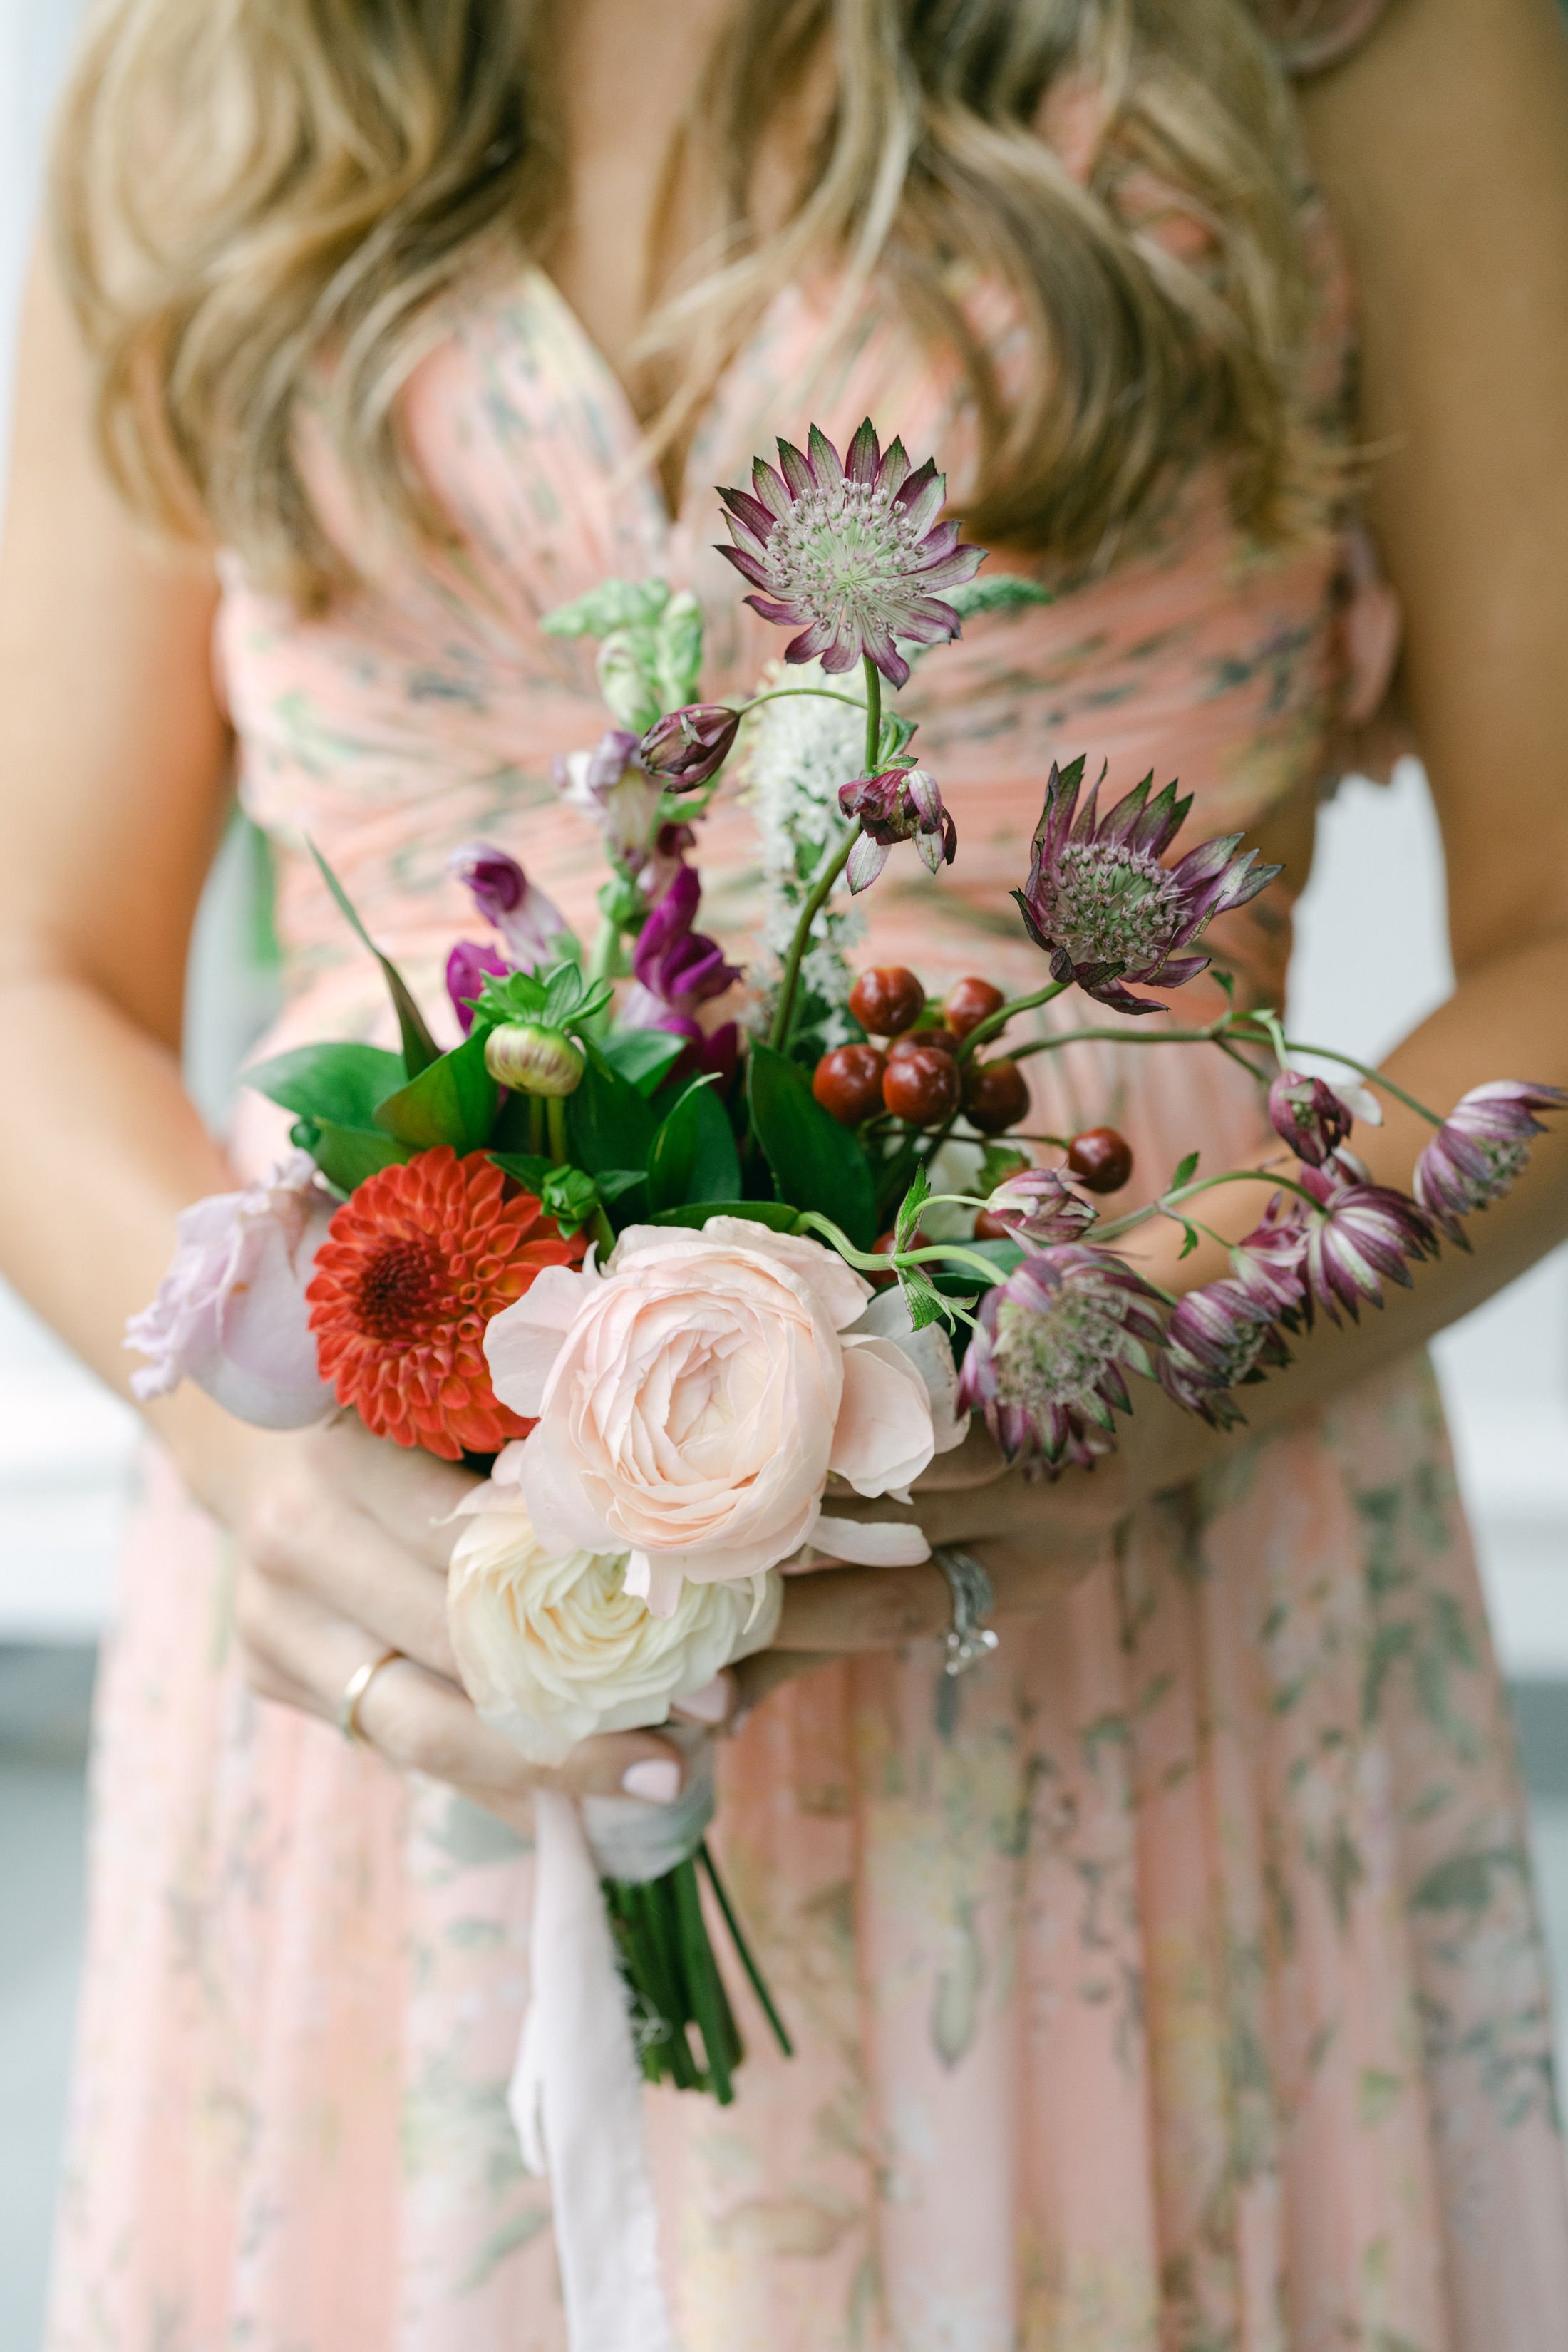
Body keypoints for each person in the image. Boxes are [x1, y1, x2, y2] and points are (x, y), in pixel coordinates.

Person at [3, 0, 1567, 2340]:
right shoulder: (234, 54)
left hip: (1126, 1641)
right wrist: (264, 1471)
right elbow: (36, 962)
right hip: (390, 1682)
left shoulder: (1349, 38)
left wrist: (1175, 1349)